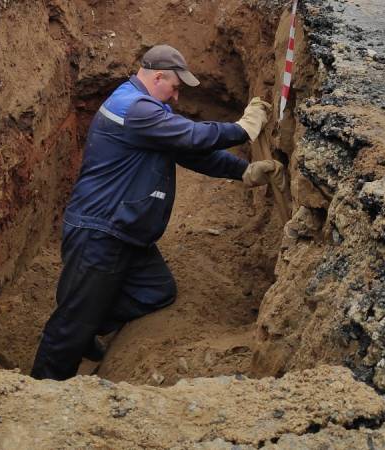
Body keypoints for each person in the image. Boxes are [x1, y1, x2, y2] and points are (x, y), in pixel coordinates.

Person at [31, 44, 284, 381]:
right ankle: (42, 388)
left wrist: (242, 171)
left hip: (128, 232)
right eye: (175, 88)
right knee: (70, 328)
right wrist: (241, 129)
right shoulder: (133, 108)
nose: (177, 98)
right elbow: (193, 137)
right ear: (159, 75)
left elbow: (192, 152)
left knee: (157, 291)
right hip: (100, 231)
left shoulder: (147, 111)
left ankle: (92, 321)